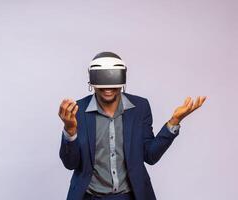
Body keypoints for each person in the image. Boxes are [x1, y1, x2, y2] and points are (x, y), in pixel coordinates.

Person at [58, 52, 206, 200]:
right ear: (92, 80)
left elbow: (150, 155)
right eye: (102, 79)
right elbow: (71, 164)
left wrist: (174, 121)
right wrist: (70, 131)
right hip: (90, 196)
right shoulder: (77, 111)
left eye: (113, 78)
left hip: (130, 196)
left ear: (122, 78)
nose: (108, 87)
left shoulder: (140, 107)